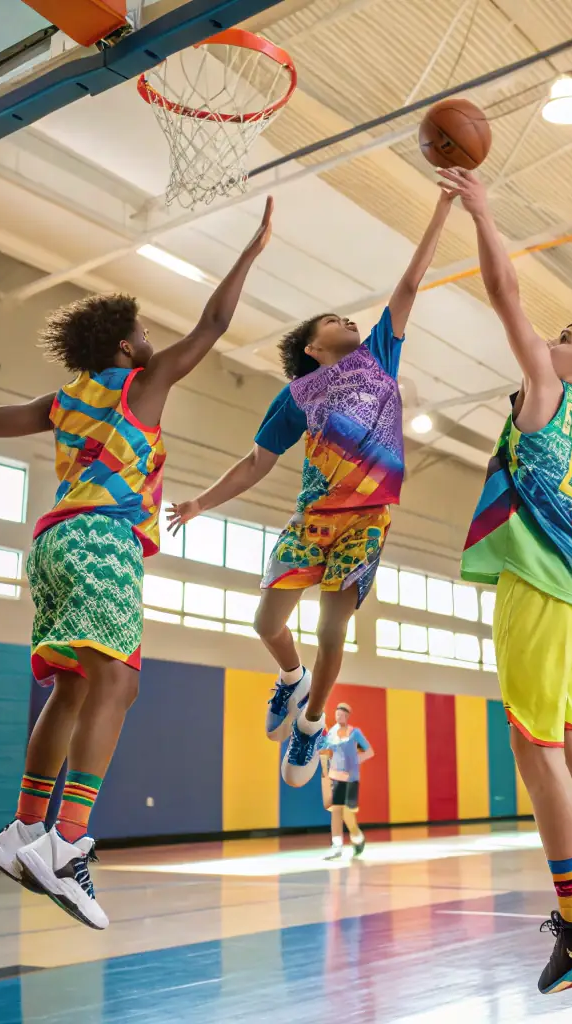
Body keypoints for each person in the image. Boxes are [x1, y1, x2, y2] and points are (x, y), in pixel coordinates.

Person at [0, 199, 274, 930]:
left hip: (51, 546)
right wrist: (252, 249)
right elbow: (211, 327)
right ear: (123, 347)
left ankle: (22, 829)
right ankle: (69, 842)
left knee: (74, 690)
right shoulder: (141, 387)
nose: (152, 341)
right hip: (103, 543)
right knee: (118, 683)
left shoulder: (63, 401)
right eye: (143, 332)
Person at [439, 166, 572, 994]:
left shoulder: (548, 387)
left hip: (537, 582)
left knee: (534, 747)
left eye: (565, 338)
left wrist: (483, 211)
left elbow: (503, 291)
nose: (551, 341)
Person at [166, 188, 454, 788]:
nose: (350, 320)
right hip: (312, 519)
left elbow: (409, 282)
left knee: (332, 629)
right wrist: (199, 503)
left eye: (351, 317)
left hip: (368, 518)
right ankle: (292, 679)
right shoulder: (295, 397)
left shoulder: (377, 357)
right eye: (334, 321)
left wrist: (444, 207)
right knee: (265, 623)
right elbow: (254, 463)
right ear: (312, 348)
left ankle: (310, 725)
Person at [319, 702, 372, 859]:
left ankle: (357, 837)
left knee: (346, 812)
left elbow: (369, 751)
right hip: (336, 777)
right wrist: (325, 773)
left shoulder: (355, 733)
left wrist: (354, 761)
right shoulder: (331, 734)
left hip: (351, 778)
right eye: (337, 713)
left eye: (342, 714)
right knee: (336, 809)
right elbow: (324, 752)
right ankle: (337, 845)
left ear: (347, 716)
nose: (339, 716)